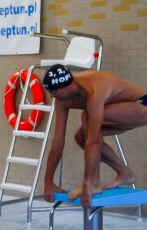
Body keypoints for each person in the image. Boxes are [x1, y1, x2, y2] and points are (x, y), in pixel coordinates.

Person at [42, 64, 147, 208]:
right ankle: (125, 173)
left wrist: (88, 182)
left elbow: (93, 141)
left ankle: (95, 182)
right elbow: (58, 141)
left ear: (69, 85)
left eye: (53, 91)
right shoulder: (61, 99)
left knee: (87, 119)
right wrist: (48, 182)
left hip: (141, 104)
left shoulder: (92, 90)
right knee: (80, 137)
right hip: (119, 110)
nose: (51, 96)